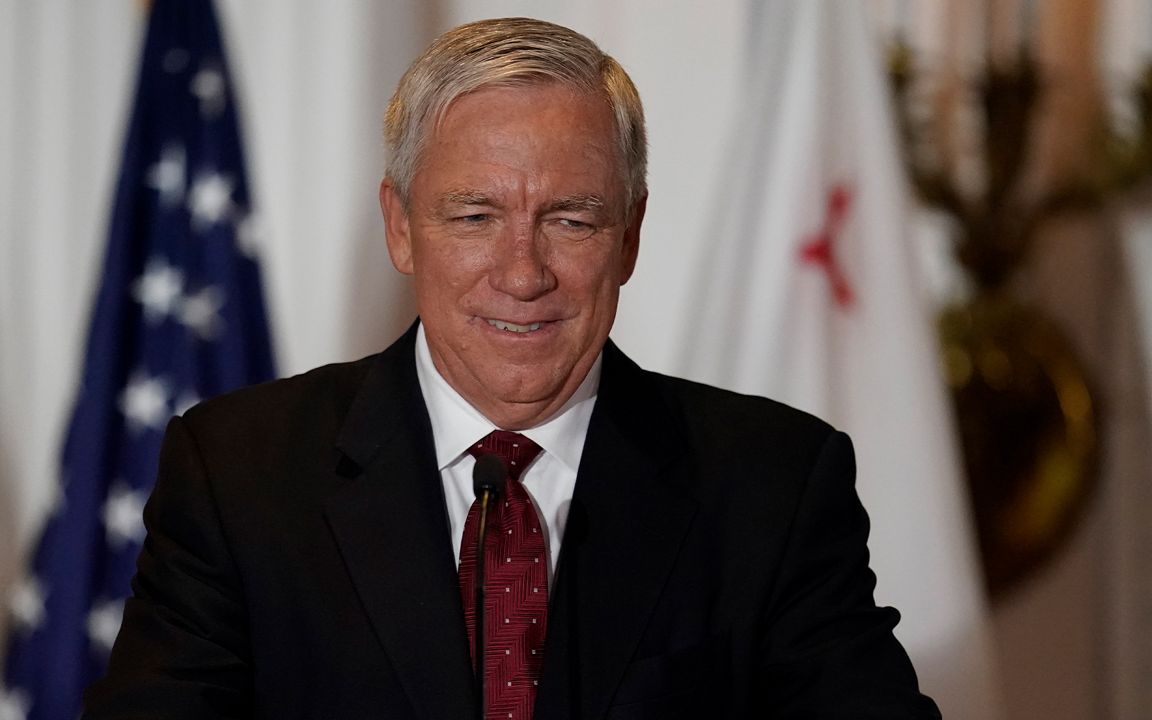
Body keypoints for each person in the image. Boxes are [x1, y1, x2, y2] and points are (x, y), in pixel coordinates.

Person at [85, 17, 941, 719]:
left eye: (571, 219)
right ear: (400, 226)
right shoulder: (239, 475)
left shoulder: (772, 484)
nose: (523, 272)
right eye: (474, 215)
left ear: (630, 236)